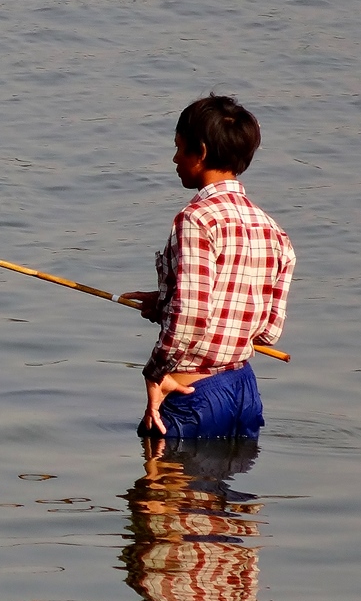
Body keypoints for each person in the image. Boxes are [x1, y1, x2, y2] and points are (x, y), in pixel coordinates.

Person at [122, 96, 295, 439]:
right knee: (222, 492)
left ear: (199, 153)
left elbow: (191, 315)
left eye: (179, 148)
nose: (174, 159)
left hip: (192, 395)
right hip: (243, 391)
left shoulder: (196, 220)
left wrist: (155, 372)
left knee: (155, 491)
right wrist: (165, 301)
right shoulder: (273, 230)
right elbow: (267, 332)